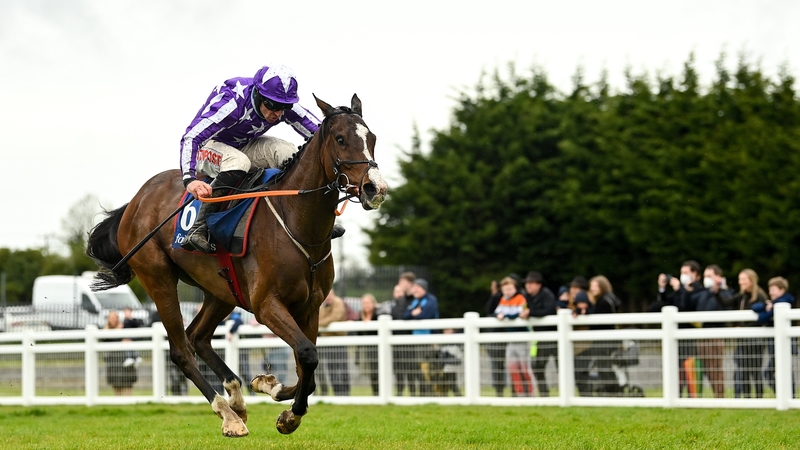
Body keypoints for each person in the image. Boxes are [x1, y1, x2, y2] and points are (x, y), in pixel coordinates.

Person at [179, 63, 344, 252]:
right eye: (272, 106)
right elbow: (192, 136)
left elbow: (322, 137)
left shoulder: (280, 103)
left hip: (242, 145)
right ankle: (199, 227)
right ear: (258, 94)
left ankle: (315, 218)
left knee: (289, 153)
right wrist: (190, 179)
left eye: (285, 107)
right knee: (239, 162)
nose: (278, 113)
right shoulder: (232, 102)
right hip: (206, 147)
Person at [657, 260, 702, 397]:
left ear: (695, 274)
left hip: (690, 335)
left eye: (686, 273)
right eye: (682, 273)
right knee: (676, 369)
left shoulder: (699, 289)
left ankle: (693, 397)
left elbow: (685, 308)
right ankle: (676, 396)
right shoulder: (680, 290)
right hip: (676, 335)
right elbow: (665, 303)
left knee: (691, 368)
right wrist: (662, 289)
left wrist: (679, 289)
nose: (683, 275)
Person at [694, 264, 735, 398]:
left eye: (709, 276)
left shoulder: (726, 293)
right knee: (707, 367)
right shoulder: (704, 293)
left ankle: (719, 396)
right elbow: (700, 309)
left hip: (716, 334)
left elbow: (725, 308)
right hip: (702, 334)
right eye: (705, 276)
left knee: (715, 367)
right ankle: (715, 395)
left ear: (718, 277)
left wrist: (720, 290)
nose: (706, 279)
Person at [494, 277, 535, 397]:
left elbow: (518, 314)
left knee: (525, 368)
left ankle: (531, 393)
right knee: (513, 369)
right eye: (505, 289)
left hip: (522, 339)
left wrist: (504, 315)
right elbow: (497, 312)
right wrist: (501, 315)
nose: (507, 291)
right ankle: (519, 393)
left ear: (515, 289)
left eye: (510, 289)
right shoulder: (503, 300)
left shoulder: (520, 299)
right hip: (511, 340)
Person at [731, 269, 768, 398]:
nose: (740, 282)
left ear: (751, 280)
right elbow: (727, 302)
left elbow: (761, 319)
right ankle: (746, 399)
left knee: (755, 371)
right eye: (739, 279)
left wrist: (744, 328)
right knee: (744, 371)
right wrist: (718, 291)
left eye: (743, 279)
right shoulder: (742, 296)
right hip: (743, 340)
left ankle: (759, 398)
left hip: (755, 340)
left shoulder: (760, 296)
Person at [583, 275, 622, 395]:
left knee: (604, 367)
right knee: (606, 366)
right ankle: (613, 390)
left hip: (604, 340)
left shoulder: (603, 301)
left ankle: (612, 391)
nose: (592, 289)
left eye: (595, 286)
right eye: (591, 286)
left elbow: (597, 322)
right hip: (611, 338)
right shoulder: (610, 299)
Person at [403, 278, 439, 396]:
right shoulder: (414, 302)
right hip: (417, 340)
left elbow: (425, 315)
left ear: (424, 289)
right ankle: (423, 394)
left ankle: (431, 394)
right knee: (419, 369)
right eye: (414, 287)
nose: (415, 290)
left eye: (418, 287)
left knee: (428, 369)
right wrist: (414, 313)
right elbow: (405, 315)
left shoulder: (431, 300)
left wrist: (414, 314)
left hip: (429, 340)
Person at [524, 271, 558, 396]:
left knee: (560, 366)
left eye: (531, 283)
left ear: (538, 285)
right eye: (527, 284)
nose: (528, 286)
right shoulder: (527, 297)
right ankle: (544, 394)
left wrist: (530, 313)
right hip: (540, 337)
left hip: (553, 336)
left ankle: (566, 393)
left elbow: (548, 310)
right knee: (538, 366)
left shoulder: (547, 295)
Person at [317, 289, 350, 396]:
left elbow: (335, 317)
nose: (328, 297)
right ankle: (337, 393)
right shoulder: (322, 305)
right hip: (327, 343)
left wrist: (320, 323)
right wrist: (322, 322)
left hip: (339, 341)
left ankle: (345, 393)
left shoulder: (338, 302)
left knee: (342, 368)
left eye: (330, 295)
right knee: (331, 369)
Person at [391, 273, 416, 396]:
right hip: (397, 341)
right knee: (398, 370)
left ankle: (413, 395)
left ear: (409, 283)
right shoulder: (400, 301)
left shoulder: (416, 299)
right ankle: (399, 394)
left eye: (402, 283)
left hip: (411, 341)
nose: (400, 285)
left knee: (412, 370)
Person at [103, 311, 138, 396]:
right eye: (111, 318)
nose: (113, 320)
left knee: (128, 381)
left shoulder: (123, 327)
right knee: (116, 382)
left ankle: (128, 399)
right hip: (113, 359)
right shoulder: (105, 330)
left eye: (115, 318)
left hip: (124, 358)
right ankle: (117, 400)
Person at [355, 293, 380, 396]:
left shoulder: (378, 315)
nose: (366, 305)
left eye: (368, 303)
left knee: (378, 372)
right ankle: (375, 394)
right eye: (364, 303)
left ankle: (380, 393)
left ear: (374, 303)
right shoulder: (360, 317)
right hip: (367, 351)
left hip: (378, 350)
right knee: (372, 373)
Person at [226, 310, 252, 396]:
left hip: (241, 351)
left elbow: (239, 321)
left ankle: (251, 393)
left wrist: (230, 331)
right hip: (230, 350)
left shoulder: (235, 316)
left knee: (244, 372)